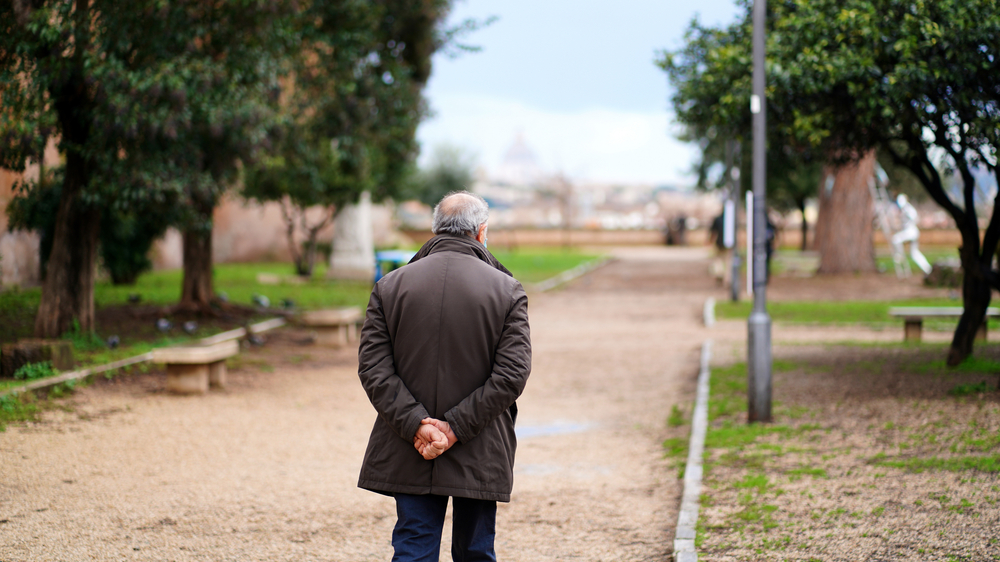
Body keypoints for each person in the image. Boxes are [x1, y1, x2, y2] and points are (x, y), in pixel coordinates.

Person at [357, 191, 532, 562]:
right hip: (479, 442)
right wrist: (454, 428)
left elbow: (373, 367)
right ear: (482, 232)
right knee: (475, 551)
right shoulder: (507, 290)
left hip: (410, 444)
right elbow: (512, 374)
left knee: (413, 547)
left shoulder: (390, 286)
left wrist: (419, 424)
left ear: (435, 230)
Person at [892, 194, 932, 274]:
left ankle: (899, 256)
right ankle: (928, 269)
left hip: (911, 232)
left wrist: (910, 220)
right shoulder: (904, 209)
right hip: (912, 232)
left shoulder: (907, 209)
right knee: (914, 253)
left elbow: (915, 217)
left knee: (895, 239)